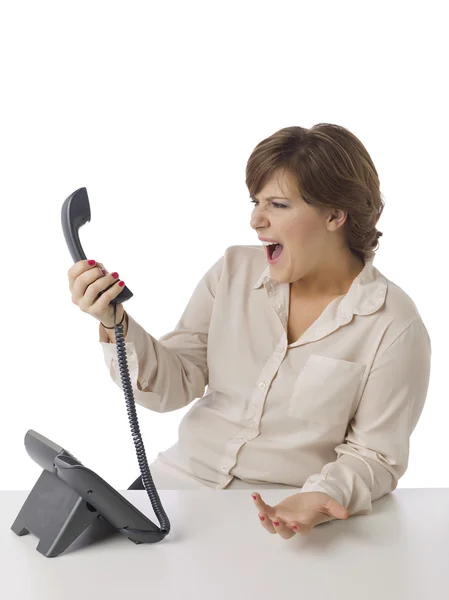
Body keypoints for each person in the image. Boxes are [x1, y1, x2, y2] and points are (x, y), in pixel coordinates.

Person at [67, 123, 431, 538]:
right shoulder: (232, 272)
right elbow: (175, 384)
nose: (255, 220)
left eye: (277, 204)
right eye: (256, 201)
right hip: (172, 488)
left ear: (335, 214)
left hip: (283, 514)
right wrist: (116, 324)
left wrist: (321, 496)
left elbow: (375, 456)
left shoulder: (394, 324)